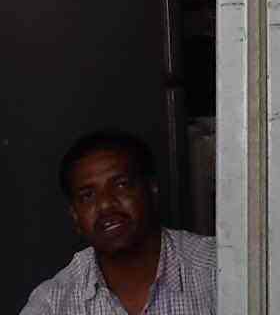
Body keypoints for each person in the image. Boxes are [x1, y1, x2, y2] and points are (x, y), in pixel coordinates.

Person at [20, 130, 216, 315]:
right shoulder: (53, 304)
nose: (105, 204)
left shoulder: (215, 269)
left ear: (152, 190)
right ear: (75, 216)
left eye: (121, 185)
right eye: (88, 195)